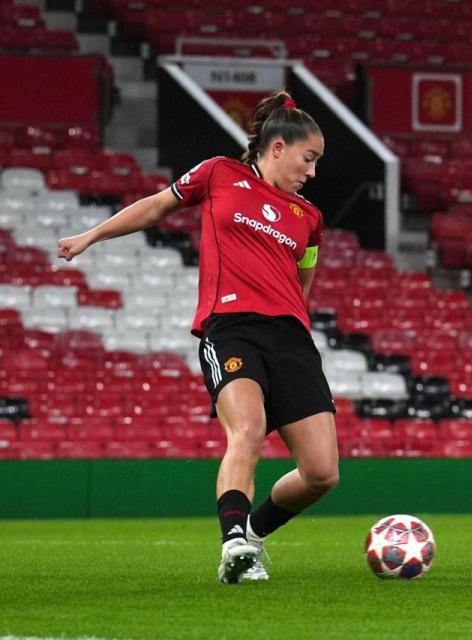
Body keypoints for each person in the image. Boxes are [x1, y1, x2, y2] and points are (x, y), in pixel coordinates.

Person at [57, 90, 339, 584]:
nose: (312, 172)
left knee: (322, 473)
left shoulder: (309, 218)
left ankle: (252, 533)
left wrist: (288, 321)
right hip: (231, 329)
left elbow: (303, 282)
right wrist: (90, 236)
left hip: (290, 338)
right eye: (308, 158)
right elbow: (154, 208)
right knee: (247, 430)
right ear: (277, 148)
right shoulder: (218, 173)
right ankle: (233, 547)